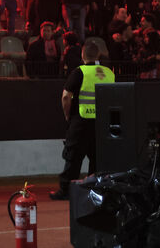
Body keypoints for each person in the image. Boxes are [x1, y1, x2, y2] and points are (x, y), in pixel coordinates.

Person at [49, 39, 115, 201]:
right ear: (98, 54)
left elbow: (66, 97)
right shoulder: (109, 72)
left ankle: (66, 191)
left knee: (73, 157)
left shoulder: (79, 72)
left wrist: (67, 115)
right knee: (97, 158)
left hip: (81, 121)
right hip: (101, 123)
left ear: (82, 54)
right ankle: (95, 189)